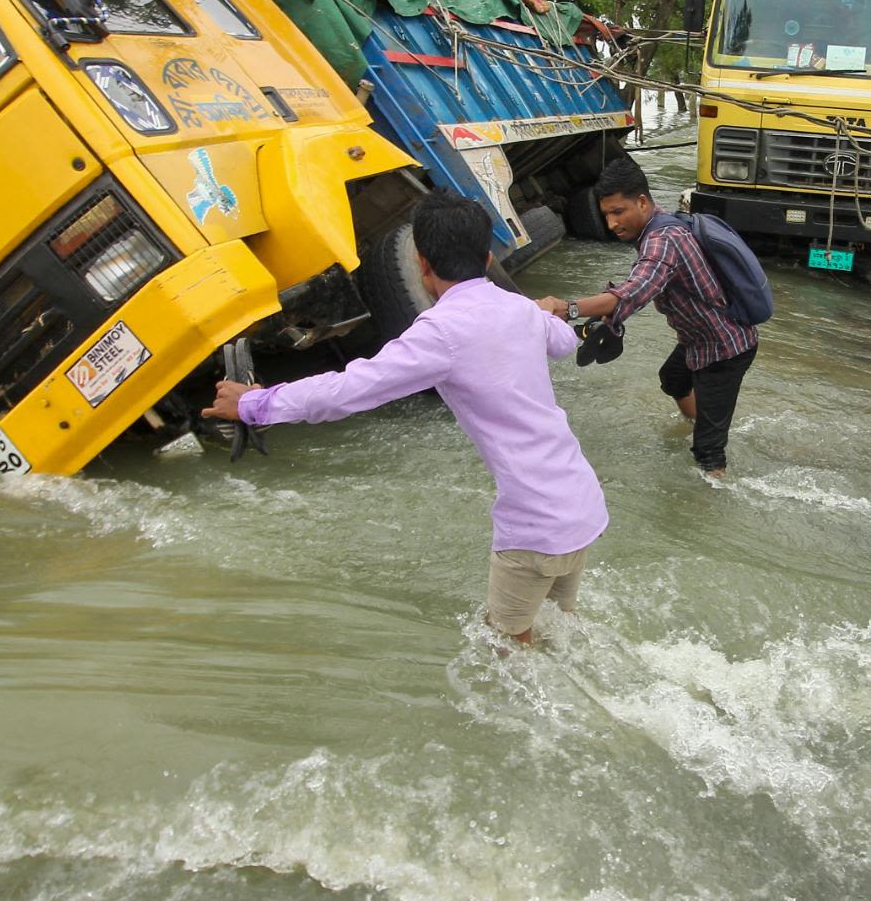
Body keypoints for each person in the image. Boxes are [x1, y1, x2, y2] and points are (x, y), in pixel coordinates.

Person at [204, 192, 606, 646]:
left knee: (507, 648)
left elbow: (350, 390)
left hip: (534, 523)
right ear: (488, 256)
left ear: (421, 264)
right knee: (560, 631)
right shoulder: (518, 310)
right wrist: (543, 309)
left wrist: (254, 404)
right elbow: (564, 343)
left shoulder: (440, 332)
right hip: (581, 503)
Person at [539, 158, 759, 478]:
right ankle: (703, 423)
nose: (612, 224)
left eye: (618, 212)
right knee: (673, 378)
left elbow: (634, 291)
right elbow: (644, 288)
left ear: (642, 202)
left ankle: (712, 492)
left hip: (725, 348)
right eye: (606, 215)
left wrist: (567, 308)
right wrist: (605, 319)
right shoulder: (659, 227)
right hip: (698, 339)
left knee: (708, 453)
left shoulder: (662, 240)